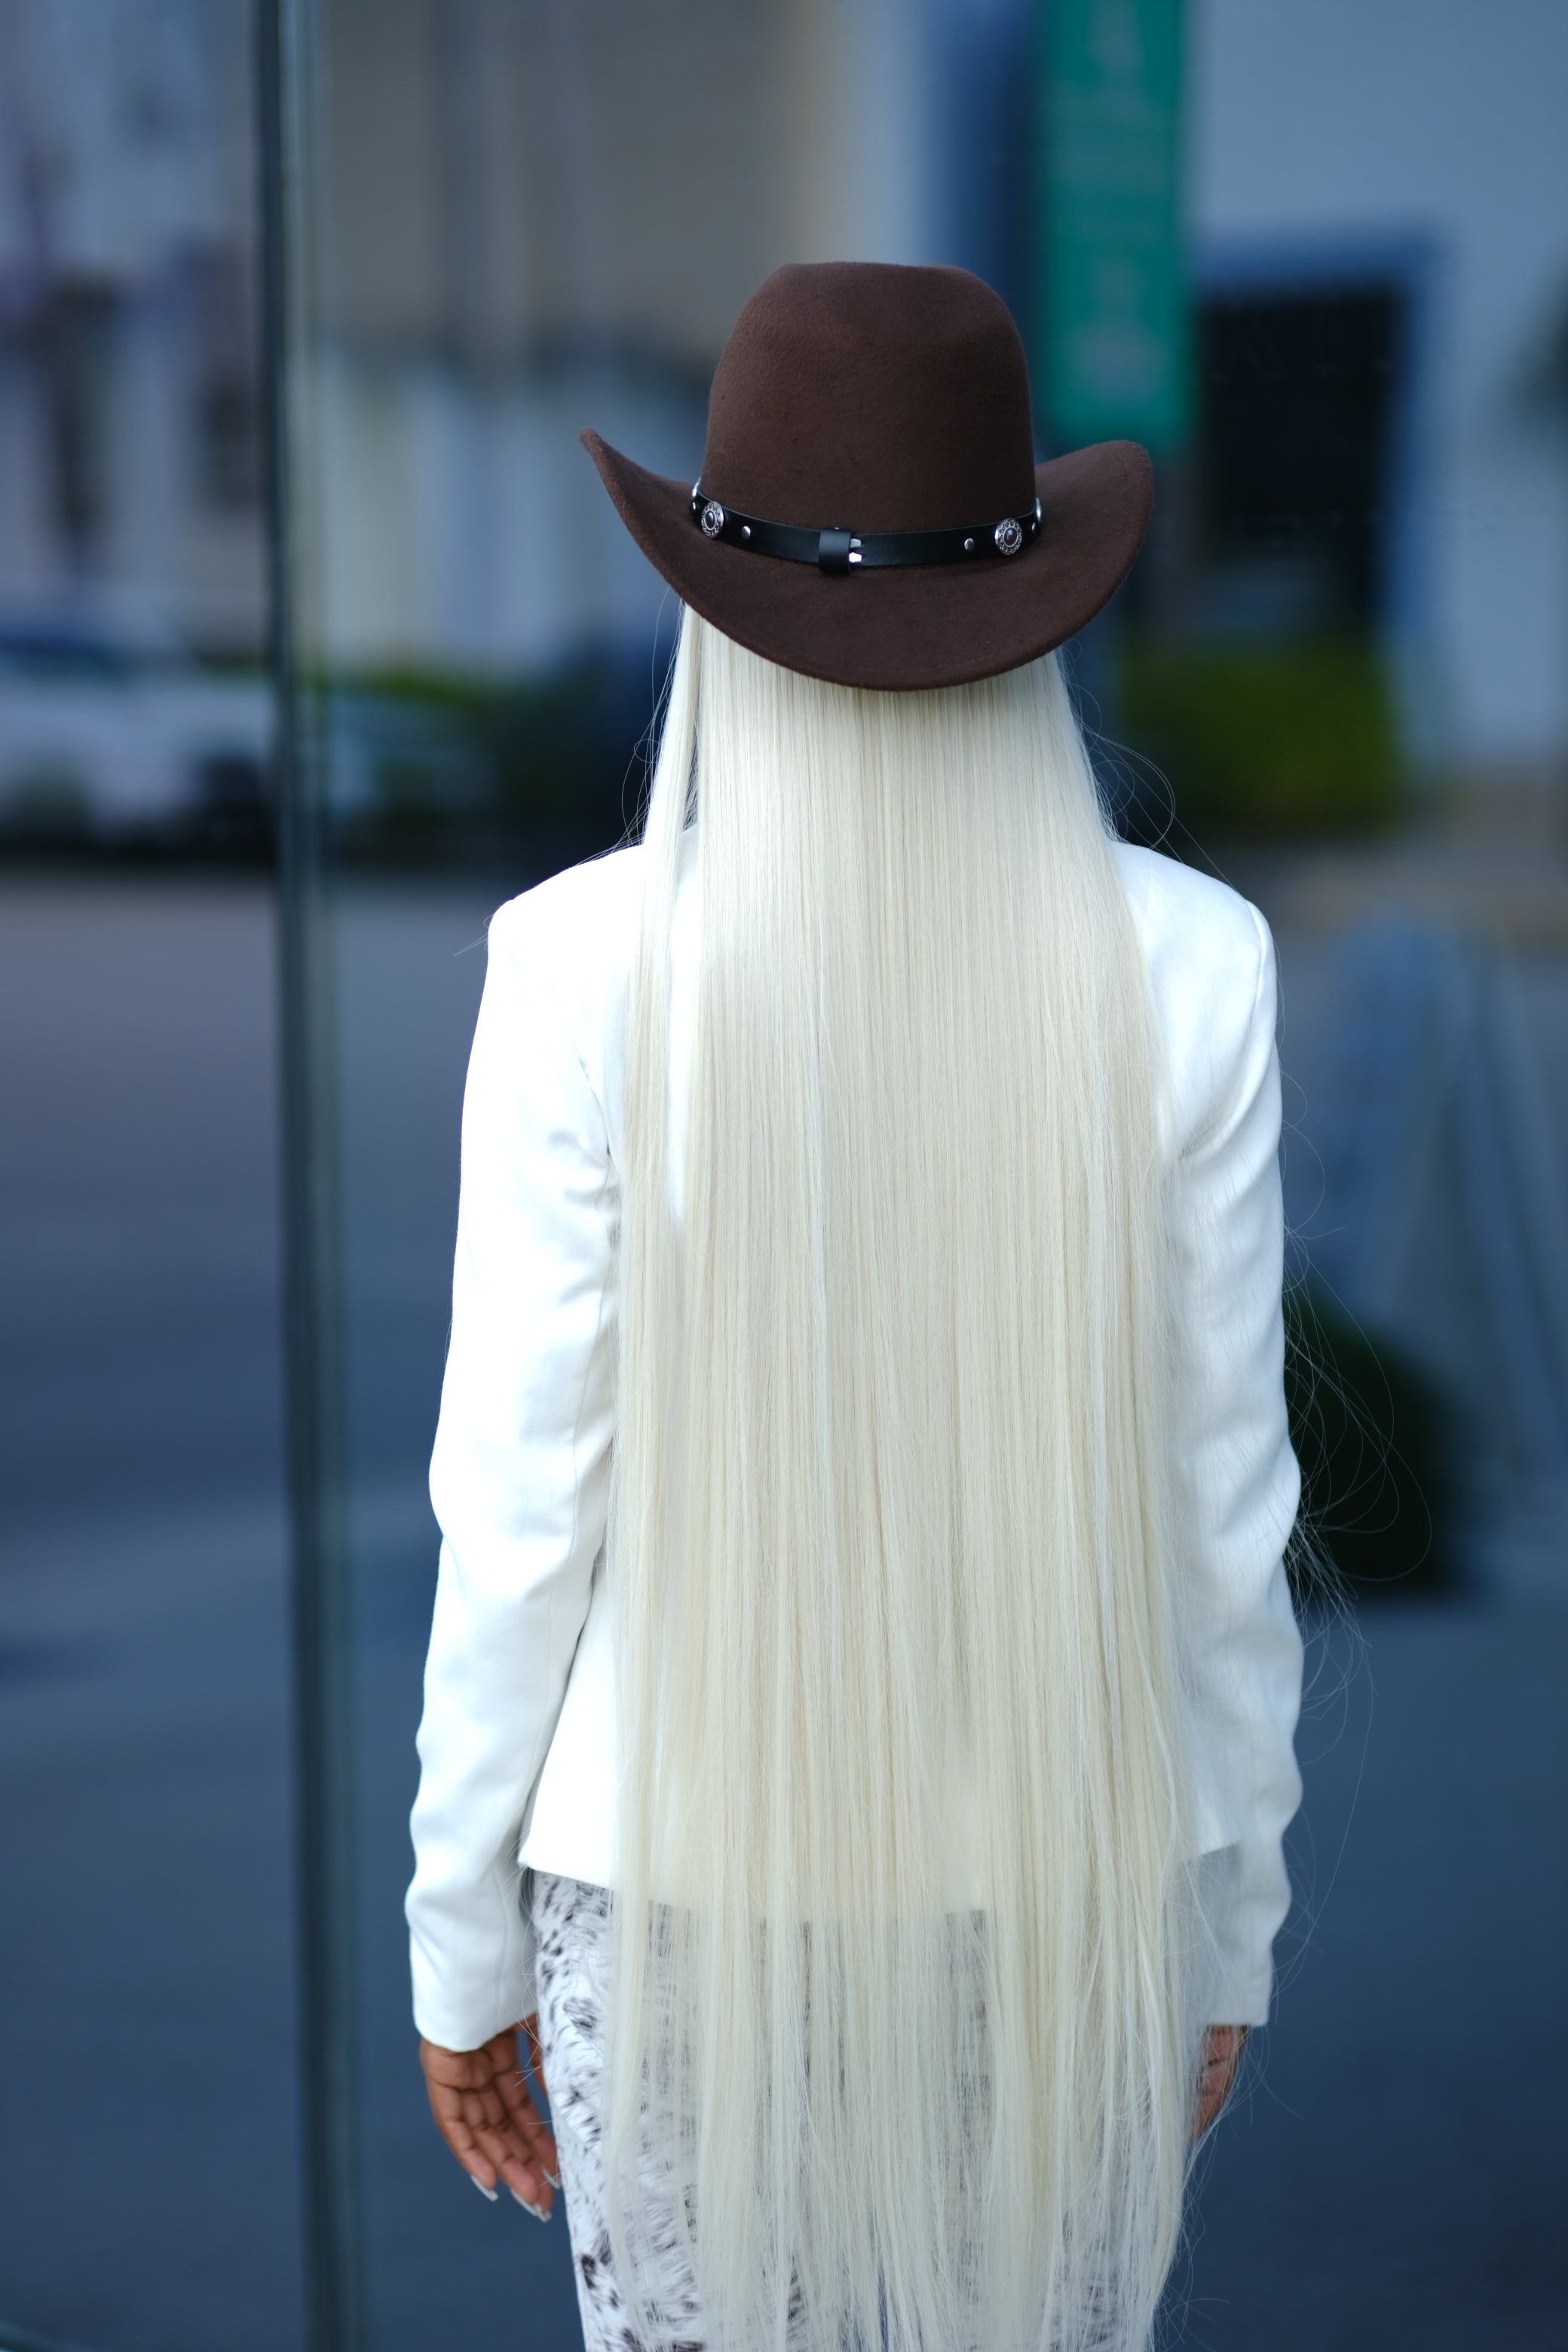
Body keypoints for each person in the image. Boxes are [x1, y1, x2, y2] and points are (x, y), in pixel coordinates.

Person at [406, 262, 1304, 2352]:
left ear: (721, 603)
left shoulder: (575, 966)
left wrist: (461, 1947)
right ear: (1034, 606)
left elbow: (518, 1519)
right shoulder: (1194, 967)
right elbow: (1223, 1518)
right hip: (1077, 1900)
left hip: (666, 1909)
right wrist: (1229, 1932)